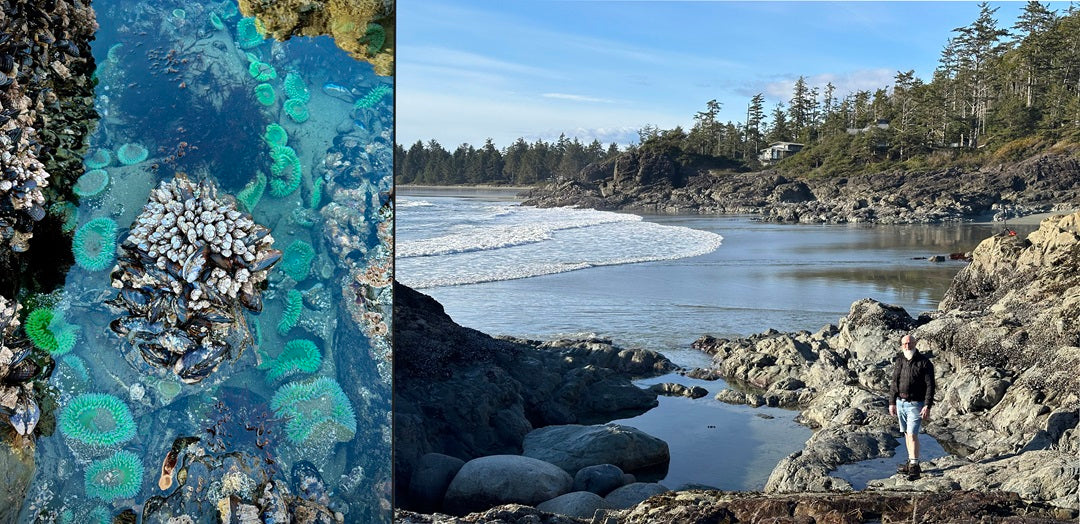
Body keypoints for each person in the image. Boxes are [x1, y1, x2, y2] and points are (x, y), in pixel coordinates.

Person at [888, 334, 935, 480]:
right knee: (907, 434)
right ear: (901, 345)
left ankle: (914, 467)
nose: (907, 346)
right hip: (900, 403)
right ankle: (910, 461)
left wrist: (927, 405)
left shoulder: (925, 362)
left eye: (909, 343)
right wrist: (891, 402)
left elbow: (930, 385)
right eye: (904, 344)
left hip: (916, 404)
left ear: (915, 343)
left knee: (913, 434)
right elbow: (894, 381)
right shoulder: (900, 360)